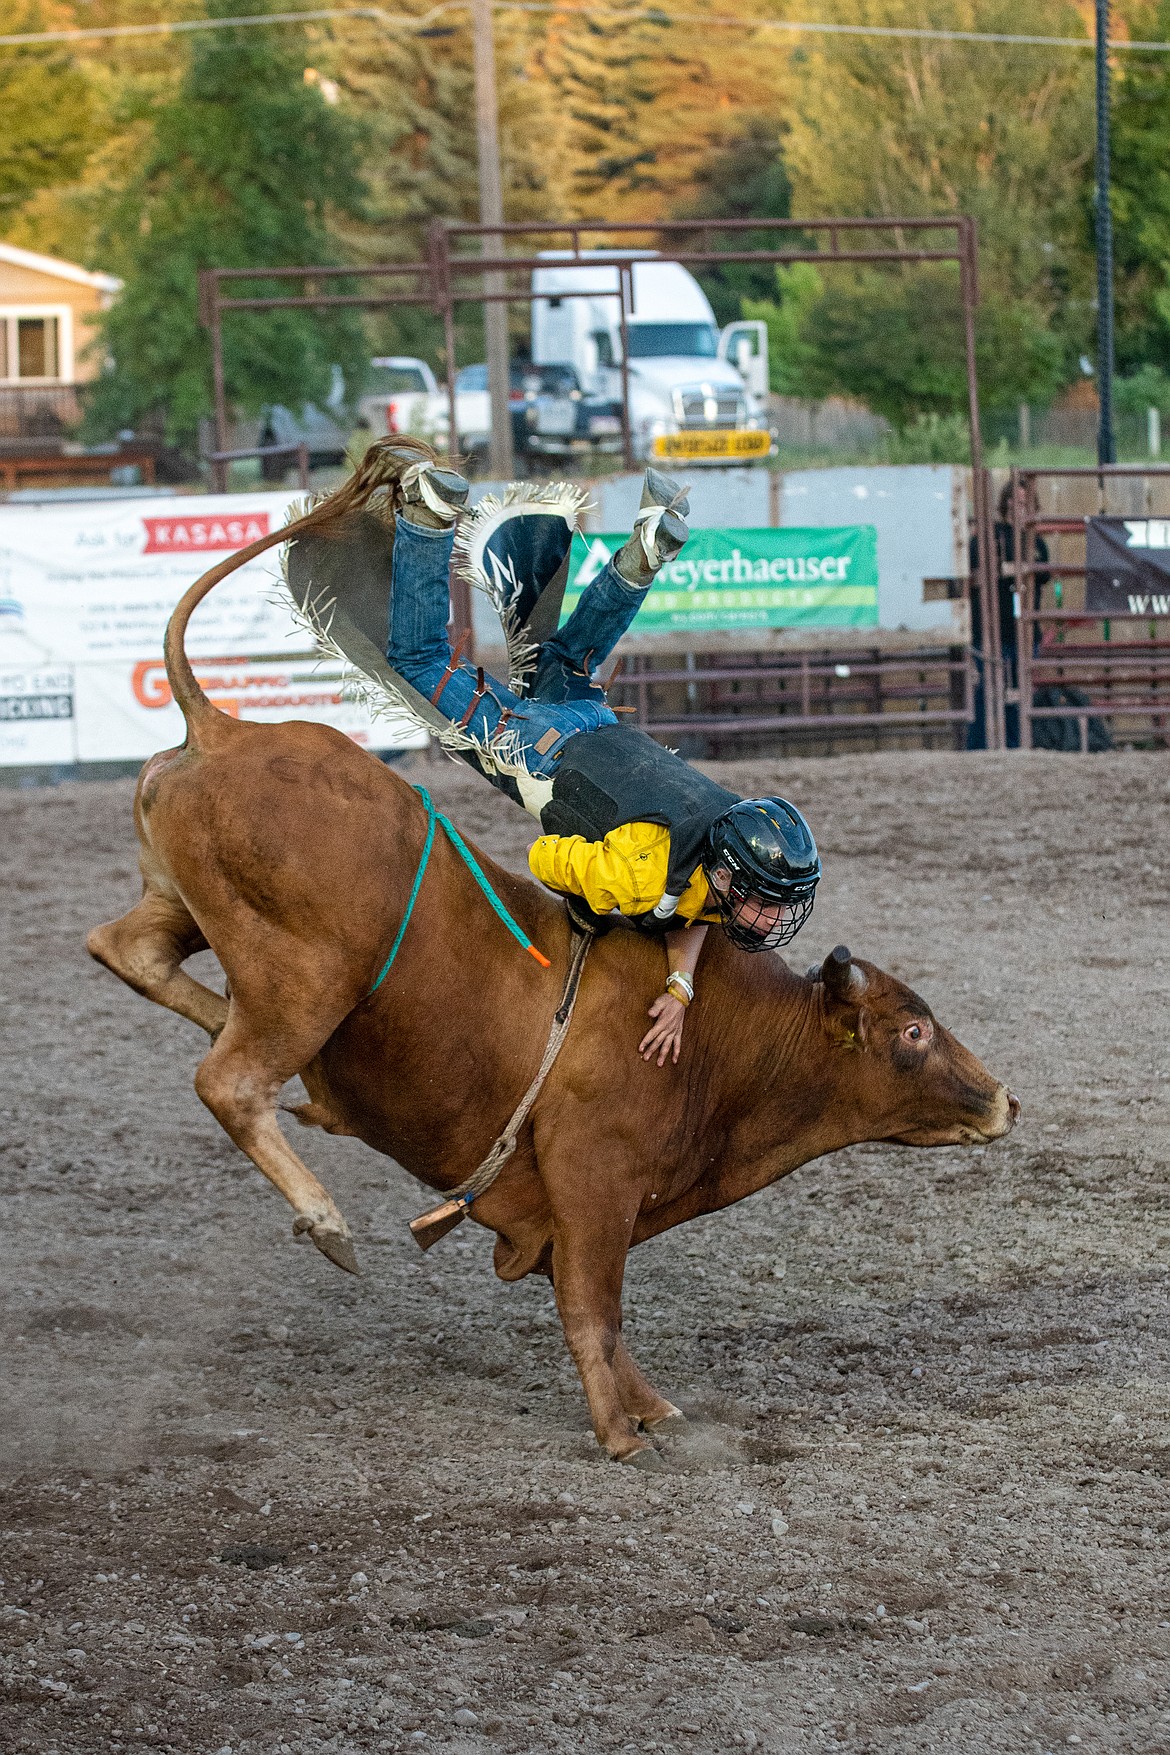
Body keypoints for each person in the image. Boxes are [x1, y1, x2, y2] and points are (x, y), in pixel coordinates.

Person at [385, 452, 821, 1067]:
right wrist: (596, 902)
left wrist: (680, 986)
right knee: (418, 661)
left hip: (596, 720)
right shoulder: (644, 880)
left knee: (568, 662)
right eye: (766, 899)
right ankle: (427, 517)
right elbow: (545, 858)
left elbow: (694, 905)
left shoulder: (724, 828)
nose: (772, 915)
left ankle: (643, 555)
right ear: (728, 874)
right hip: (537, 747)